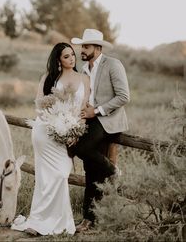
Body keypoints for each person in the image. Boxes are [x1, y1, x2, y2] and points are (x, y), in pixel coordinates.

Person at [11, 42, 90, 236]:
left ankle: (59, 221)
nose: (71, 58)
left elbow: (84, 108)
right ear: (58, 60)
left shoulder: (84, 79)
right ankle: (38, 220)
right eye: (66, 56)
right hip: (45, 131)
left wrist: (75, 130)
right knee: (45, 178)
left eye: (72, 55)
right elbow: (39, 106)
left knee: (61, 173)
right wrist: (55, 122)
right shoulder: (49, 78)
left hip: (70, 131)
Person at [69, 28, 130, 232]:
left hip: (108, 121)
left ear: (97, 47)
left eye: (85, 47)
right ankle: (89, 219)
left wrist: (97, 111)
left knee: (81, 149)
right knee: (90, 172)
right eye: (82, 47)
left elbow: (123, 96)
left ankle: (114, 170)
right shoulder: (84, 69)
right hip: (90, 122)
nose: (82, 50)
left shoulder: (113, 64)